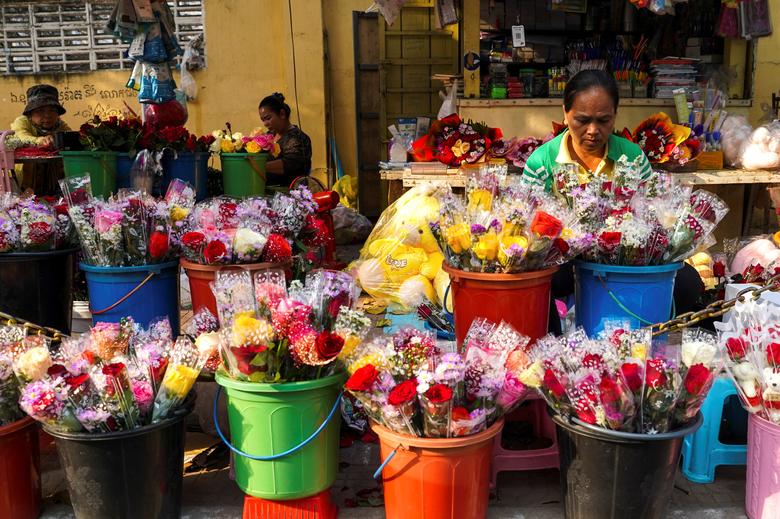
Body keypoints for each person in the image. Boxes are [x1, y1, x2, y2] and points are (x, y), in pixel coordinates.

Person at [521, 70, 703, 334]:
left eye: (603, 120)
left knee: (687, 282)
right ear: (565, 113)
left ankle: (644, 336)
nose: (593, 131)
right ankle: (553, 347)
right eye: (582, 120)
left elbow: (650, 212)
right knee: (536, 281)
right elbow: (531, 231)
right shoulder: (542, 162)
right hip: (566, 264)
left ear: (615, 115)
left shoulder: (631, 156)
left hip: (623, 259)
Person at [10, 84, 70, 195]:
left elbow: (70, 138)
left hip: (55, 186)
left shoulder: (60, 125)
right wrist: (40, 140)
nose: (47, 116)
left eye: (52, 110)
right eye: (40, 111)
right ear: (30, 114)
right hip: (26, 187)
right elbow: (21, 136)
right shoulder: (22, 122)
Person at [258, 93, 312, 187]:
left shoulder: (298, 138)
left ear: (282, 114)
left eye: (268, 118)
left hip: (290, 195)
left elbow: (290, 164)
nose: (265, 124)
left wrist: (257, 166)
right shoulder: (269, 136)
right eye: (263, 120)